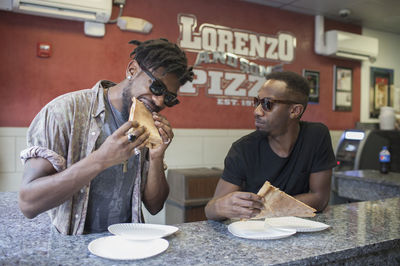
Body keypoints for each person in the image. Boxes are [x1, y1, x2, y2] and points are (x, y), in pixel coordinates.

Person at [19, 38, 194, 235]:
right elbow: (28, 203)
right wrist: (101, 160)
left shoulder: (146, 126)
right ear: (132, 70)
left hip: (127, 242)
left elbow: (154, 206)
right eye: (156, 87)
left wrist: (156, 157)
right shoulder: (64, 112)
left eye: (169, 97)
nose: (159, 101)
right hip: (73, 247)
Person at [205, 71, 336, 221]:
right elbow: (210, 210)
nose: (257, 111)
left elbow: (320, 198)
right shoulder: (243, 149)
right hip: (255, 234)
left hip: (301, 231)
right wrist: (220, 206)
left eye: (267, 104)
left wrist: (263, 208)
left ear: (294, 111)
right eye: (257, 102)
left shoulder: (316, 136)